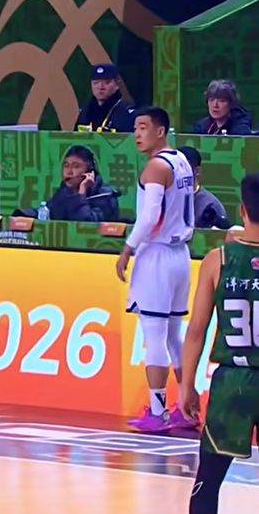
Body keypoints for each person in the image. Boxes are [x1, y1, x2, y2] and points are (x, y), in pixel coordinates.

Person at [180, 173, 259, 514]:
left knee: (208, 483)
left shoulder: (218, 259)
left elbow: (196, 330)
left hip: (231, 383)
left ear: (242, 210)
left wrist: (186, 385)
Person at [116, 106, 196, 432]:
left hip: (158, 255)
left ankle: (158, 411)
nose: (137, 134)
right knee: (174, 336)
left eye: (143, 127)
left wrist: (127, 249)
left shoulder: (155, 167)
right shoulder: (182, 161)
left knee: (154, 335)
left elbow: (149, 217)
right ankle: (188, 408)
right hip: (181, 255)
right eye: (135, 128)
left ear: (160, 131)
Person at [45, 145, 120, 222]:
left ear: (89, 172)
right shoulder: (64, 192)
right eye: (66, 166)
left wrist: (81, 193)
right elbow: (47, 215)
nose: (69, 172)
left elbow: (86, 223)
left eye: (76, 166)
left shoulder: (105, 196)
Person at [178, 146, 229, 229]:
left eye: (183, 169)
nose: (177, 174)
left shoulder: (210, 206)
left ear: (197, 171)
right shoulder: (165, 199)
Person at [74, 63, 135, 133]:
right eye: (96, 83)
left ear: (117, 84)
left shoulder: (126, 113)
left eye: (107, 83)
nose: (100, 87)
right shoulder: (85, 112)